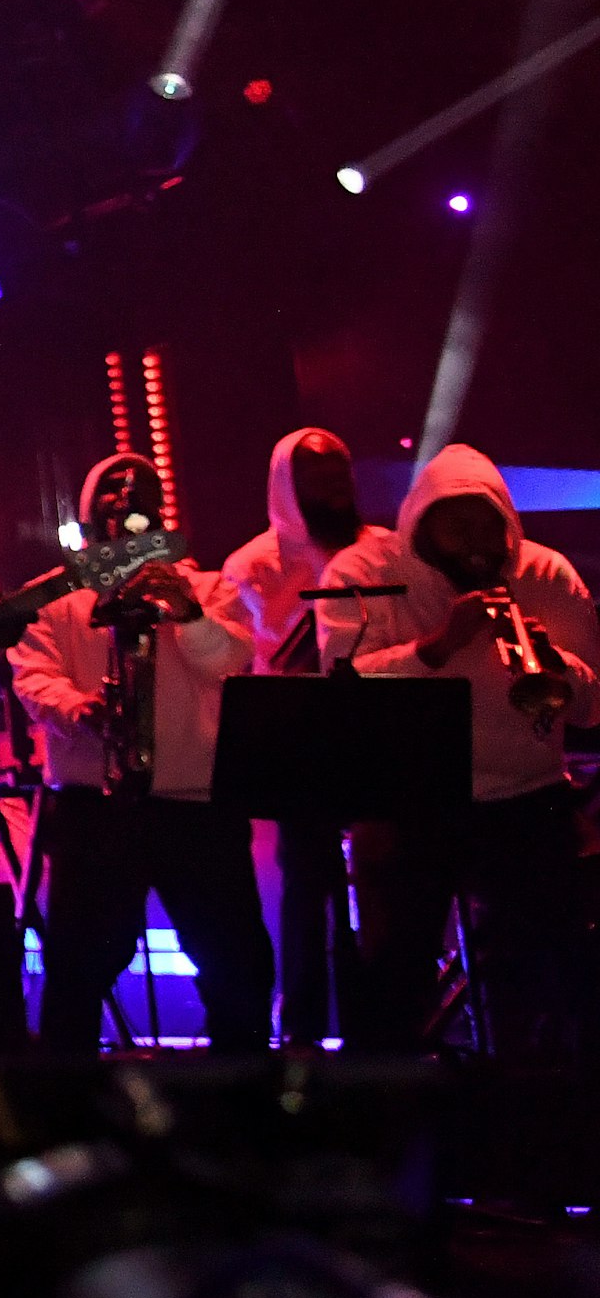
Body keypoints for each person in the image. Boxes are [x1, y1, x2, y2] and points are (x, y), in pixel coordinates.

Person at [8, 454, 271, 1055]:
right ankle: (68, 1103)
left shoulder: (208, 588)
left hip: (196, 806)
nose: (127, 501)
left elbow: (232, 663)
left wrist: (189, 613)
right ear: (89, 513)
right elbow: (32, 674)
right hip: (96, 808)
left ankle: (242, 1101)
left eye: (141, 491)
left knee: (236, 961)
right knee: (79, 964)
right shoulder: (53, 596)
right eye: (112, 493)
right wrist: (79, 709)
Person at [343, 447, 595, 1057]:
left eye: (487, 522)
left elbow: (592, 704)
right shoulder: (370, 573)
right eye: (456, 524)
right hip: (415, 803)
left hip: (527, 797)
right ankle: (390, 1093)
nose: (476, 540)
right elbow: (345, 686)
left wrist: (555, 666)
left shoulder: (547, 572)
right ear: (421, 523)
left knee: (557, 960)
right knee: (397, 966)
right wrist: (439, 645)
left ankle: (546, 1086)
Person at [217, 428, 373, 1042]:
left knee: (380, 878)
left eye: (341, 470)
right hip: (297, 745)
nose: (333, 485)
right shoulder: (252, 565)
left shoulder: (384, 551)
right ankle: (303, 1028)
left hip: (371, 735)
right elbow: (239, 658)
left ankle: (375, 1024)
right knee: (306, 884)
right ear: (288, 483)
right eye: (317, 475)